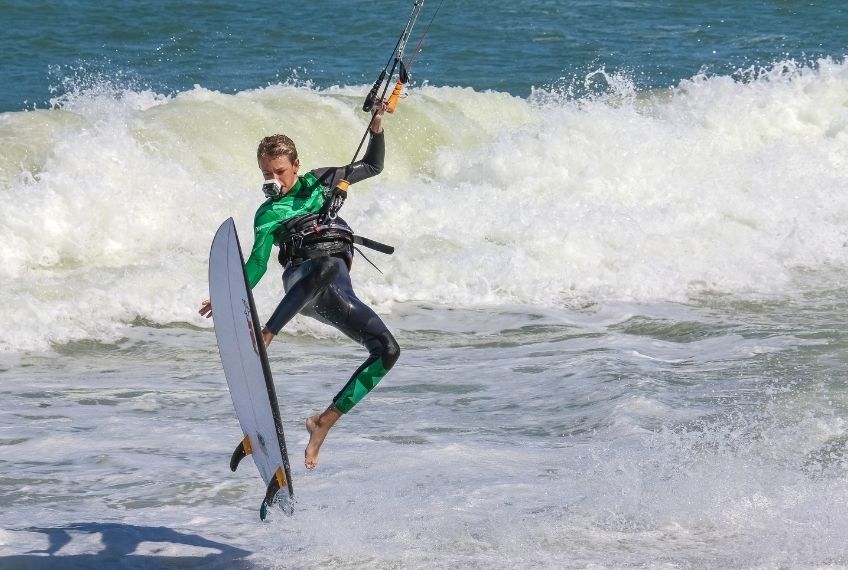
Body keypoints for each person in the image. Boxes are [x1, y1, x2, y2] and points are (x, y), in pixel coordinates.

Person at [199, 103, 399, 470]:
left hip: (336, 288)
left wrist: (377, 125)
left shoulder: (324, 181)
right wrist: (228, 293)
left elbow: (372, 165)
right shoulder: (267, 214)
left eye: (279, 172)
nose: (272, 179)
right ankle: (268, 335)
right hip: (301, 277)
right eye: (265, 173)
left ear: (295, 166)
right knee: (320, 267)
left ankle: (323, 422)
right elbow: (258, 262)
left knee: (387, 350)